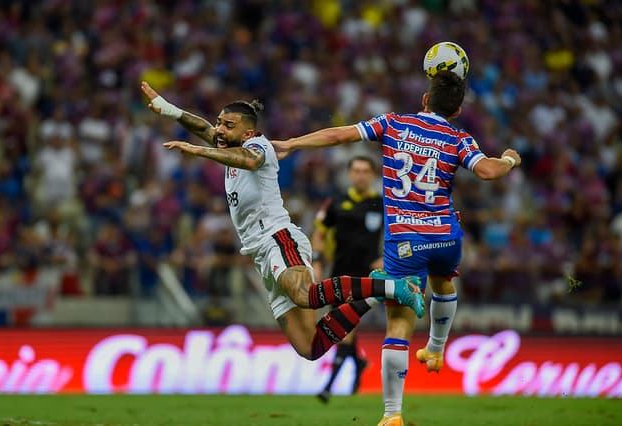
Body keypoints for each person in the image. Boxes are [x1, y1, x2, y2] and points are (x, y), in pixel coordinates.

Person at [272, 70, 522, 426]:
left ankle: (392, 414)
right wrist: (511, 159)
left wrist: (293, 143)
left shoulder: (392, 123)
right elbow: (487, 171)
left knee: (399, 324)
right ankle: (436, 348)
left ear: (424, 99)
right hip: (446, 236)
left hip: (405, 241)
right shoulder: (459, 137)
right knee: (443, 282)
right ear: (457, 110)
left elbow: (340, 134)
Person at [140, 81, 424, 363]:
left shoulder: (257, 145)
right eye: (220, 123)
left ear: (248, 131)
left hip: (278, 237)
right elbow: (202, 128)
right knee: (310, 347)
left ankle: (394, 287)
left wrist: (198, 151)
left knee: (304, 295)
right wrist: (168, 109)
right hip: (259, 252)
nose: (220, 130)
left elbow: (250, 162)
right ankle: (375, 294)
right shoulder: (229, 143)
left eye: (228, 125)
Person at [313, 155, 384, 403]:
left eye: (365, 171)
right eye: (357, 171)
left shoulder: (380, 204)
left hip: (367, 279)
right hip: (339, 275)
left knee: (345, 328)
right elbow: (319, 233)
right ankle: (359, 362)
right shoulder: (336, 202)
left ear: (372, 175)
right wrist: (317, 260)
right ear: (350, 174)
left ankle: (328, 387)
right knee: (345, 327)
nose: (361, 175)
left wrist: (386, 258)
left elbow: (397, 236)